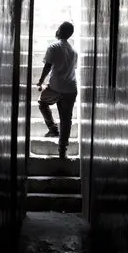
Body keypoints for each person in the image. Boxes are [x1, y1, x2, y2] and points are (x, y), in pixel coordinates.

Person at [36, 21, 78, 159]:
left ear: (59, 31)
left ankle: (53, 129)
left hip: (55, 87)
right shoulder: (73, 51)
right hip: (70, 89)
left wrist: (41, 81)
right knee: (66, 119)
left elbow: (47, 66)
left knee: (42, 102)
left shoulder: (53, 46)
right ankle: (62, 151)